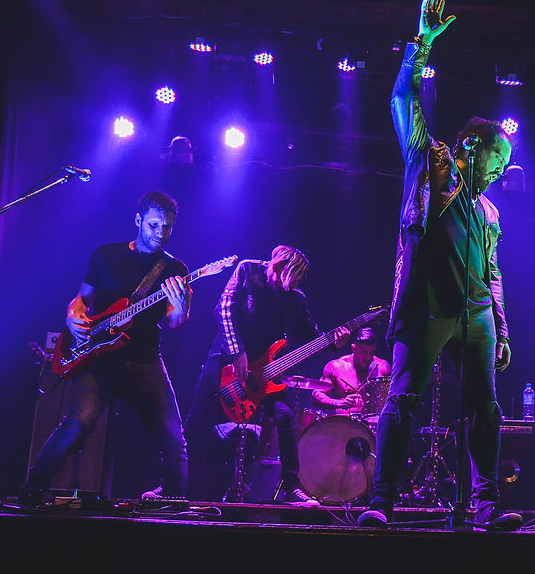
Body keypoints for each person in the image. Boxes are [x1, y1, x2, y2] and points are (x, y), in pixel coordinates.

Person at [357, 0, 521, 531]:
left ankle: (487, 503)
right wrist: (421, 44)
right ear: (472, 146)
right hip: (427, 307)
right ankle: (382, 501)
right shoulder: (431, 164)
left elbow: (492, 272)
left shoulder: (489, 212)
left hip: (476, 315)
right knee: (403, 399)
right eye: (499, 157)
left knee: (486, 408)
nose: (502, 169)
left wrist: (500, 327)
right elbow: (402, 99)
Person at [21, 191, 192, 503]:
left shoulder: (175, 269)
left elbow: (174, 321)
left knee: (173, 436)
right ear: (138, 220)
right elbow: (82, 298)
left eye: (167, 227)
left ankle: (172, 500)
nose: (160, 233)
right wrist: (73, 315)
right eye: (154, 225)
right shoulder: (106, 255)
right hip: (99, 359)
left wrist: (181, 307)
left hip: (144, 359)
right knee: (78, 422)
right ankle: (32, 489)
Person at [183, 245, 349, 505]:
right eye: (295, 275)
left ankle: (290, 487)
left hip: (265, 374)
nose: (295, 283)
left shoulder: (295, 298)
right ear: (282, 266)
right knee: (195, 420)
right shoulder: (248, 270)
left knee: (285, 417)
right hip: (225, 362)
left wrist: (334, 344)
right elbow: (223, 310)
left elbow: (309, 334)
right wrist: (237, 351)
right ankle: (172, 481)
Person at [311, 326, 391, 417]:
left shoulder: (383, 367)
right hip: (344, 422)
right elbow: (316, 395)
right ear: (354, 348)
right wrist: (340, 403)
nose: (368, 358)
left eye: (372, 352)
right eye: (364, 352)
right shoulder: (336, 367)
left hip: (373, 423)